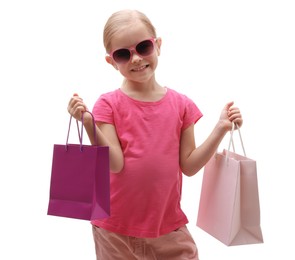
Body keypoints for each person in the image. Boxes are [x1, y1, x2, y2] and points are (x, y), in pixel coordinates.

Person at [67, 9, 243, 260]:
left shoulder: (182, 105)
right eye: (123, 54)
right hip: (114, 230)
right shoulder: (107, 104)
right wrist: (87, 122)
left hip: (167, 228)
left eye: (143, 47)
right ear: (111, 61)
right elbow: (115, 164)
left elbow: (189, 165)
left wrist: (221, 128)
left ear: (157, 45)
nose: (136, 58)